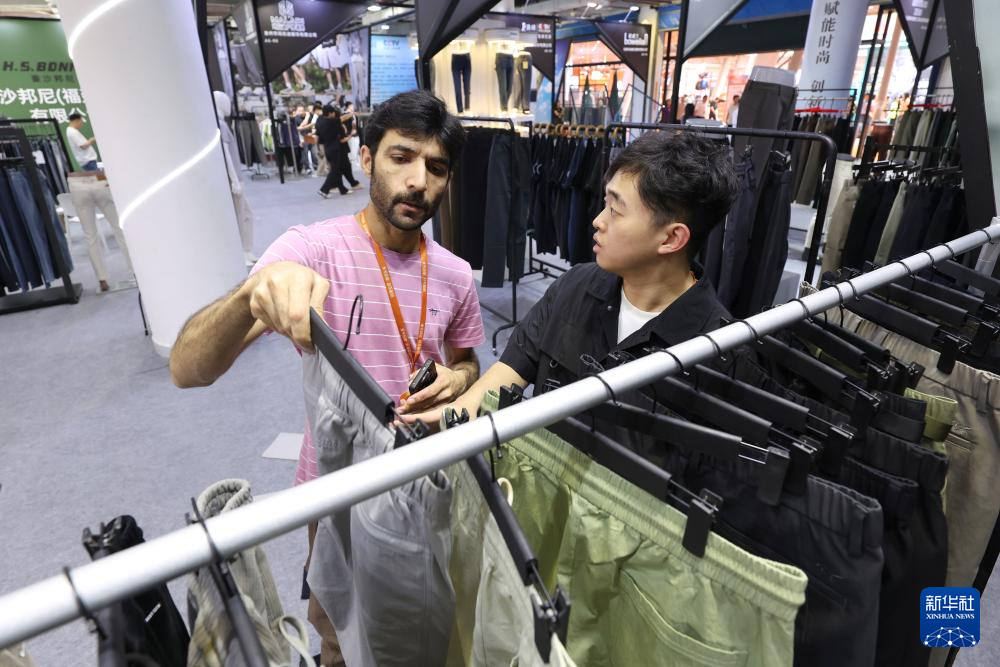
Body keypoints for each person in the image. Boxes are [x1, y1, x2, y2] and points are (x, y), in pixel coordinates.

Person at [169, 89, 486, 666]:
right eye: (401, 157)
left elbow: (468, 362)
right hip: (335, 484)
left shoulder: (455, 275)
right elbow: (188, 369)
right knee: (340, 628)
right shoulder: (312, 250)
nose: (418, 181)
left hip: (425, 479)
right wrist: (251, 293)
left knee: (426, 621)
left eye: (436, 168)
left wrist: (458, 378)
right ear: (365, 159)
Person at [401, 130, 739, 461]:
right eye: (605, 204)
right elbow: (509, 370)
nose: (597, 221)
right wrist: (450, 417)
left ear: (671, 238)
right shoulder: (575, 286)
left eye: (615, 210)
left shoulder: (719, 352)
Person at [315, 104, 359, 197]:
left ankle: (342, 189)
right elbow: (342, 118)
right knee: (335, 170)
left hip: (327, 148)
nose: (334, 114)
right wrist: (352, 114)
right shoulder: (331, 121)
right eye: (333, 113)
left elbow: (317, 137)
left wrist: (319, 148)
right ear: (330, 113)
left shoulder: (319, 121)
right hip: (334, 149)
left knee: (337, 170)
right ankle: (324, 190)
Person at [342, 101, 359, 165]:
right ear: (349, 106)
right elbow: (353, 123)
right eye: (352, 106)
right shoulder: (348, 114)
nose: (353, 107)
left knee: (353, 148)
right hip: (352, 134)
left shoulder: (345, 114)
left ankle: (352, 161)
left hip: (350, 134)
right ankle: (352, 161)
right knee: (353, 148)